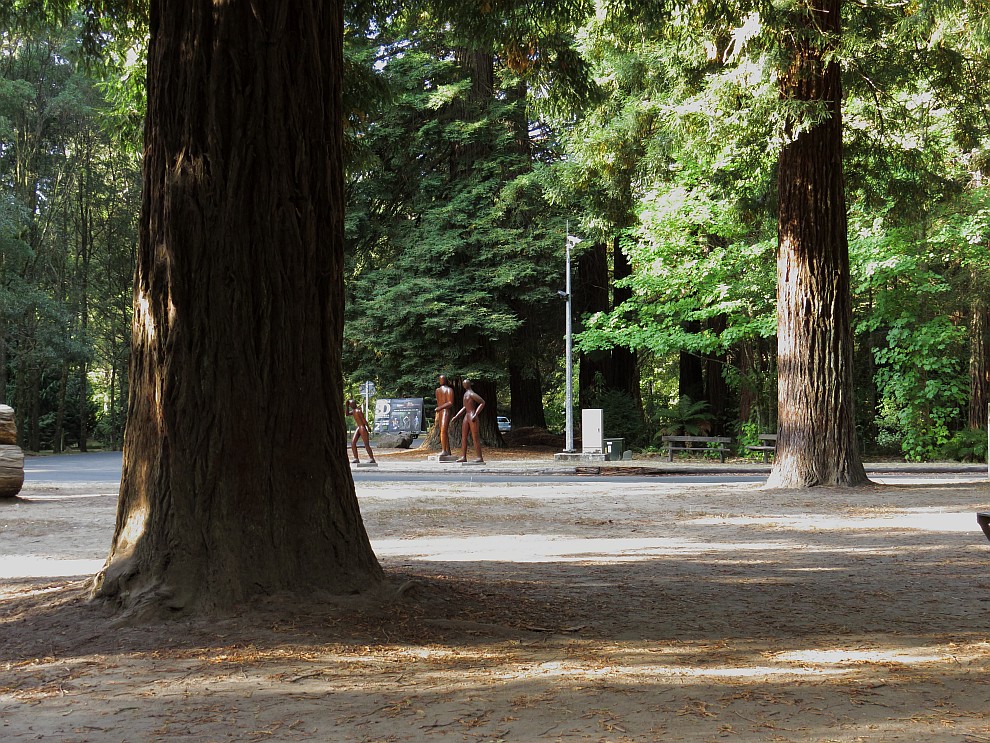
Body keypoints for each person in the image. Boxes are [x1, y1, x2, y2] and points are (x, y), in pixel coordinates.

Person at [450, 378, 485, 463]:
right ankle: (463, 456)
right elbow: (464, 407)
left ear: (469, 384)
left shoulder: (472, 394)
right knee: (464, 436)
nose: (464, 385)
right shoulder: (465, 394)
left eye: (466, 383)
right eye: (463, 384)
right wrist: (457, 416)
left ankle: (479, 457)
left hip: (472, 415)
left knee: (475, 437)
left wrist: (476, 414)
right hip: (467, 415)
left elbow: (482, 402)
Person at [346, 399, 376, 464]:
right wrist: (347, 406)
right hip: (358, 428)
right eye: (350, 405)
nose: (351, 406)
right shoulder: (353, 411)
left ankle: (372, 458)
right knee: (353, 443)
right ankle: (356, 458)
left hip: (362, 427)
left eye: (351, 405)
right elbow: (347, 414)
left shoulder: (358, 411)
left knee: (366, 444)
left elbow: (363, 419)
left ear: (354, 404)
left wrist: (368, 427)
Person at [434, 375, 455, 457]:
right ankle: (447, 450)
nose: (441, 381)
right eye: (440, 379)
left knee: (443, 430)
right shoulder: (438, 390)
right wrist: (439, 409)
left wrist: (440, 407)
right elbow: (438, 401)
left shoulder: (449, 390)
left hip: (446, 411)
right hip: (441, 412)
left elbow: (450, 403)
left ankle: (444, 450)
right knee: (443, 431)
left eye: (442, 379)